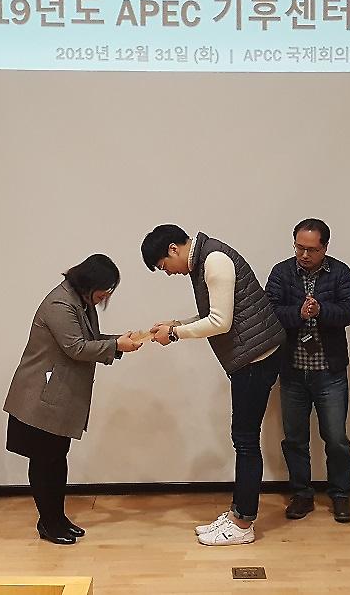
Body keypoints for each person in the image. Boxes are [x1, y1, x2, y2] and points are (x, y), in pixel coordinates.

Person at [141, 224, 285, 546]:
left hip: (256, 358)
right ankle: (237, 514)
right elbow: (214, 314)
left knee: (245, 441)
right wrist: (177, 323)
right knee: (244, 439)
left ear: (174, 249)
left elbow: (220, 322)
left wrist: (175, 334)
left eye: (164, 266)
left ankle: (242, 523)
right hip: (252, 356)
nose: (168, 273)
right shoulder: (206, 258)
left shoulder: (215, 260)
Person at [2, 254, 142, 545]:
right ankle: (49, 522)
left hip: (56, 395)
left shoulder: (80, 300)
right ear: (90, 283)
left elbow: (89, 338)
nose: (106, 296)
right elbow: (76, 348)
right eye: (105, 290)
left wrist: (121, 340)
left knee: (55, 459)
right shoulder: (60, 303)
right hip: (40, 395)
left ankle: (56, 518)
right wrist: (116, 345)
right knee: (45, 460)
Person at [264, 218, 350, 523]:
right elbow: (269, 312)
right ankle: (302, 494)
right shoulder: (281, 272)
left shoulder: (340, 272)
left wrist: (321, 310)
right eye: (299, 248)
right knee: (294, 438)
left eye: (312, 249)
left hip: (329, 372)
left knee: (336, 439)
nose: (304, 255)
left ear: (325, 248)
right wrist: (299, 313)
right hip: (292, 370)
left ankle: (340, 495)